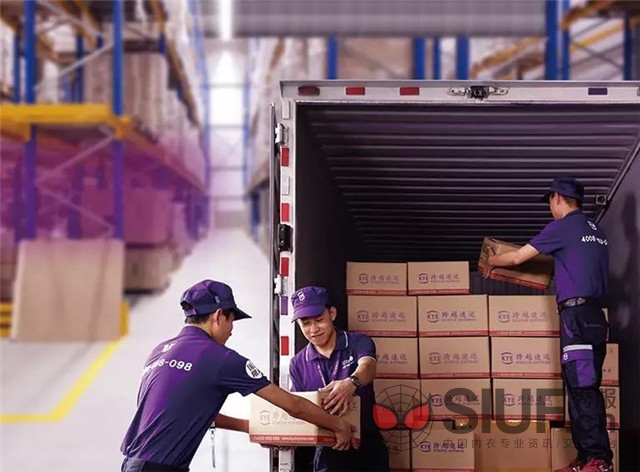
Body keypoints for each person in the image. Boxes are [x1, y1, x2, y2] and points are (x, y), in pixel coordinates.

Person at [120, 279, 356, 472]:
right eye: (232, 321)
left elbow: (182, 412)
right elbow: (293, 405)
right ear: (218, 316)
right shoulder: (220, 358)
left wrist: (251, 427)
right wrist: (338, 425)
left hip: (132, 463)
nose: (231, 330)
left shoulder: (159, 351)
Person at [484, 177, 613, 472]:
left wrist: (491, 261)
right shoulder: (597, 231)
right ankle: (586, 459)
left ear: (557, 198)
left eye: (550, 202)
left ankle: (598, 460)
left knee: (582, 388)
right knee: (582, 386)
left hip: (576, 319)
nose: (550, 209)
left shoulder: (563, 227)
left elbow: (517, 257)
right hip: (595, 318)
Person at [288, 285, 390, 472]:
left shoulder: (358, 342)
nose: (313, 329)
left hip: (366, 447)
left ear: (332, 314)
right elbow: (299, 408)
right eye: (306, 323)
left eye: (319, 320)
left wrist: (351, 383)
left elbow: (368, 366)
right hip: (326, 453)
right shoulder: (298, 363)